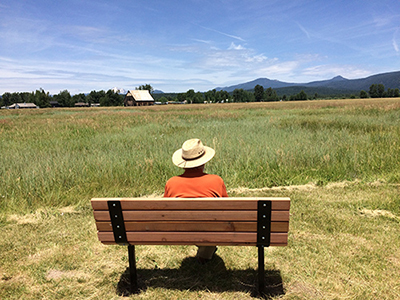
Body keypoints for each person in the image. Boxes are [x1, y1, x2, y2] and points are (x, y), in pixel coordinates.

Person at [164, 138, 228, 263]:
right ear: (204, 162)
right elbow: (227, 208)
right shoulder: (216, 180)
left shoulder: (171, 183)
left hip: (179, 230)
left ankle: (204, 254)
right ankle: (205, 255)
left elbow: (165, 211)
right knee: (211, 223)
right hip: (210, 230)